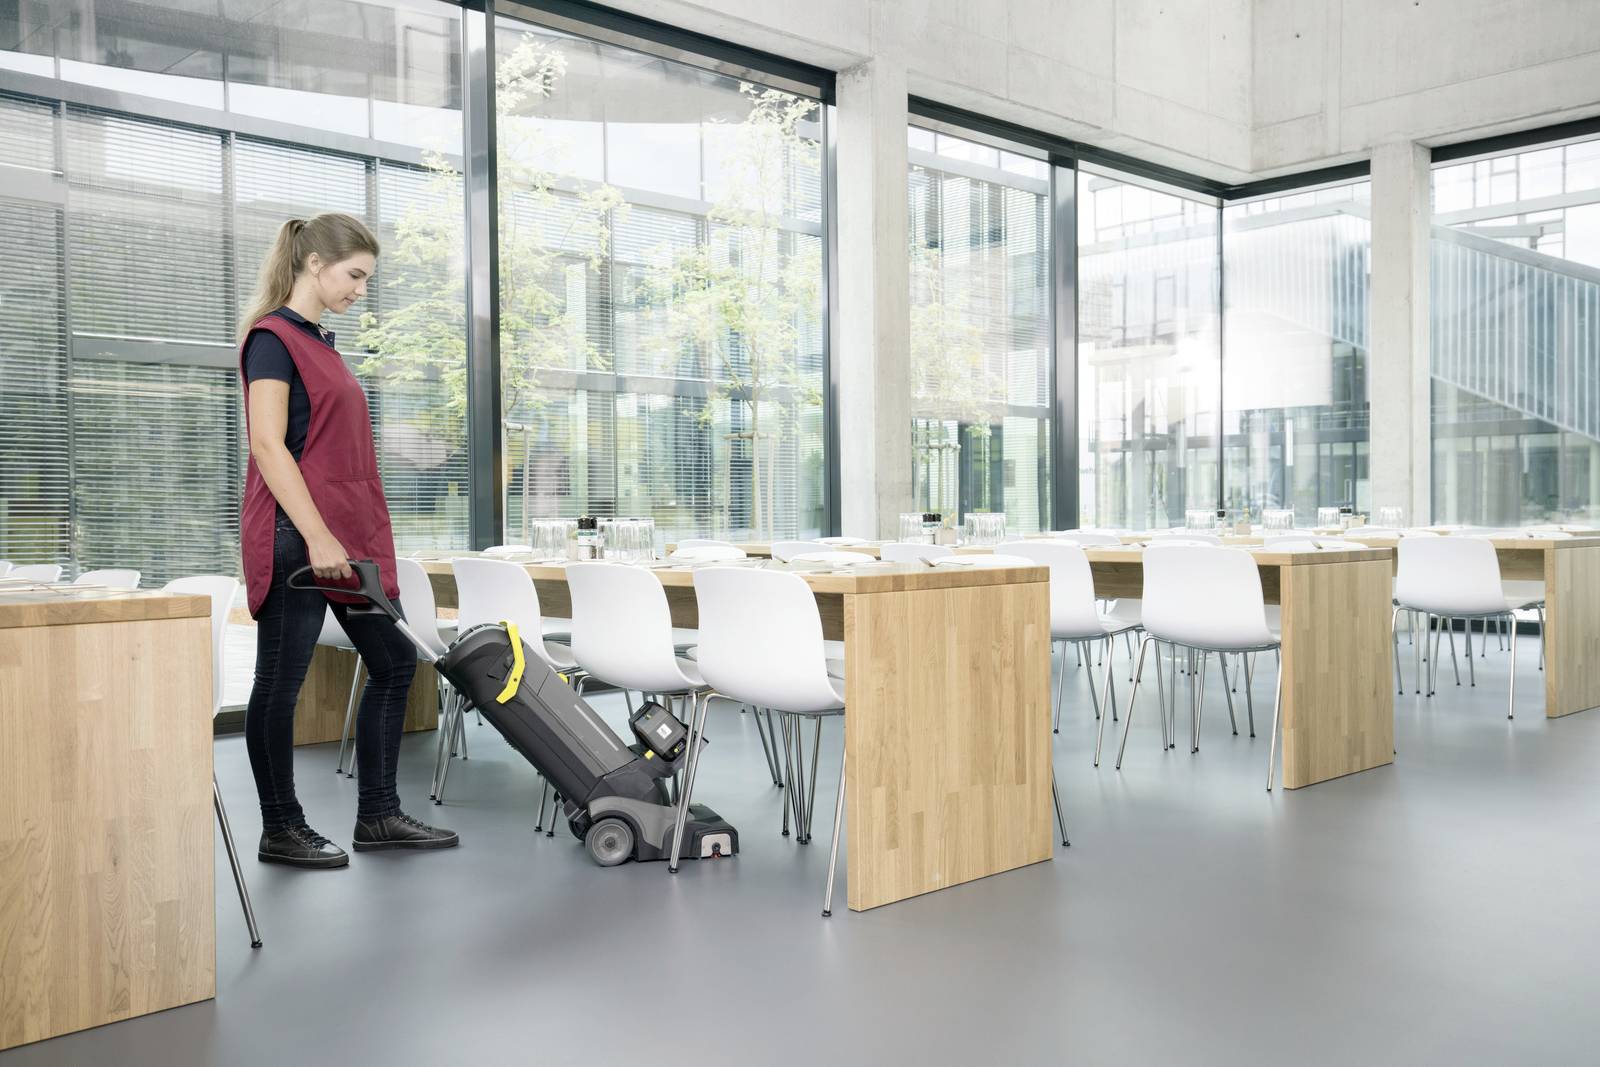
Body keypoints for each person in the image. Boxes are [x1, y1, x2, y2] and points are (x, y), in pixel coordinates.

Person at [238, 213, 457, 869]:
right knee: (279, 686)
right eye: (354, 274)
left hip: (341, 539)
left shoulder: (320, 345)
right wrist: (316, 535)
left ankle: (379, 815)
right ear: (313, 263)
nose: (361, 289)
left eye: (366, 278)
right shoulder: (272, 339)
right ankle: (281, 826)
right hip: (297, 540)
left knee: (393, 664)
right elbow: (269, 445)